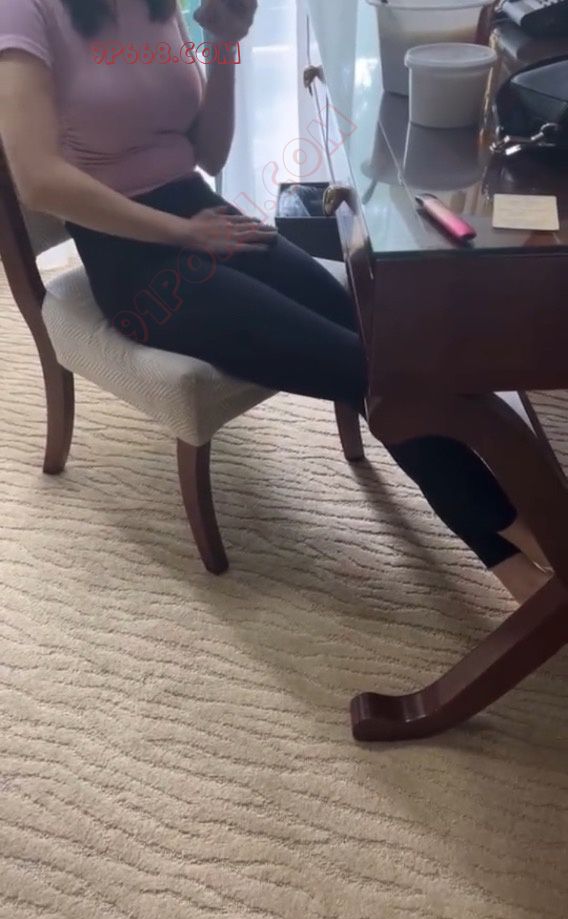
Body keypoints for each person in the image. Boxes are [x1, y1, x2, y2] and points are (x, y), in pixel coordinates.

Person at [0, 0, 551, 602]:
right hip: (132, 256)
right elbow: (37, 179)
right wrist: (183, 234)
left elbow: (209, 153)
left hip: (203, 214)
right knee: (371, 371)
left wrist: (224, 41)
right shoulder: (25, 10)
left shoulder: (156, 5)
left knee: (385, 349)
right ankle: (536, 538)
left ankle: (519, 564)